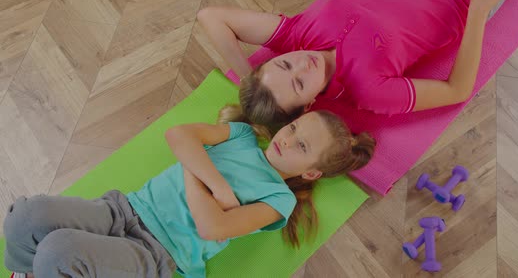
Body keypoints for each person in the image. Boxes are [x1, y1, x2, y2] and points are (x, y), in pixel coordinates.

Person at [4, 108, 375, 278]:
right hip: (123, 209)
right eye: (294, 128)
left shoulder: (280, 200)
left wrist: (191, 163)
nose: (288, 140)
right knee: (26, 216)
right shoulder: (244, 135)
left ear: (310, 171)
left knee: (58, 250)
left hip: (155, 253)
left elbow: (211, 227)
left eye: (302, 147)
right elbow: (177, 136)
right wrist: (215, 185)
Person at [197, 0, 518, 126]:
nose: (302, 65)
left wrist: (248, 80)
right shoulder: (369, 92)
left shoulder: (295, 37)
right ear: (310, 104)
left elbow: (211, 16)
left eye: (285, 66)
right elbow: (457, 90)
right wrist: (479, 8)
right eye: (300, 84)